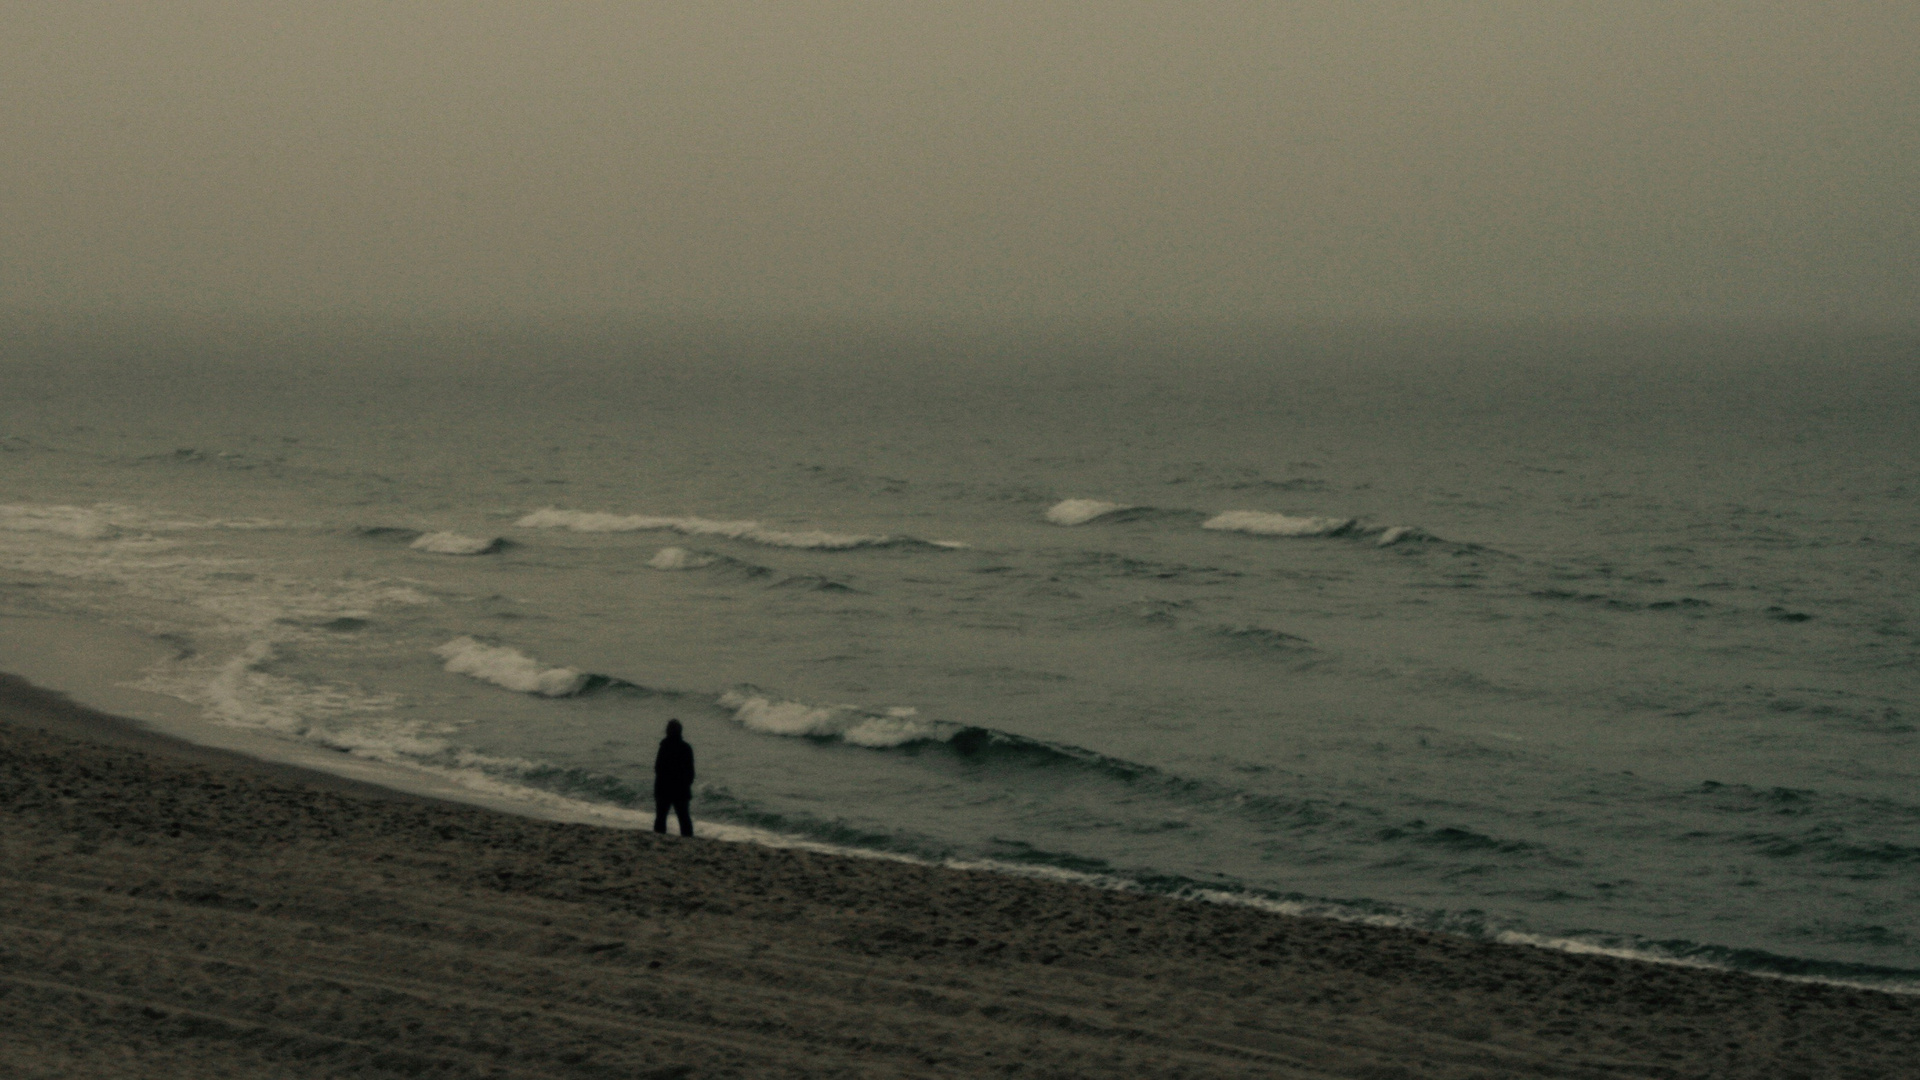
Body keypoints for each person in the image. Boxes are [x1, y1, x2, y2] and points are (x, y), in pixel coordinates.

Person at [653, 718, 695, 837]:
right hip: (681, 789)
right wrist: (686, 784)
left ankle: (659, 839)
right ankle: (688, 842)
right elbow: (690, 772)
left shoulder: (664, 746)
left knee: (660, 818)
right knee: (684, 818)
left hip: (663, 788)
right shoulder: (686, 748)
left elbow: (658, 768)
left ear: (668, 731)